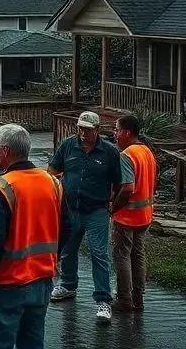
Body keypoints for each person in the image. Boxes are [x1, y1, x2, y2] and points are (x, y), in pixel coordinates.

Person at [0, 124, 68, 349]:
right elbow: (68, 226)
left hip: (8, 283)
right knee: (32, 342)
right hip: (42, 281)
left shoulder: (1, 187)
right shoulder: (53, 183)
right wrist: (53, 258)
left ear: (6, 151)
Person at [47, 111, 124, 322]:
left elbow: (117, 183)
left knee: (99, 254)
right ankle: (68, 286)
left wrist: (111, 205)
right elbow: (52, 171)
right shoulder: (68, 146)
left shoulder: (109, 152)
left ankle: (103, 301)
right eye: (81, 128)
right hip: (70, 208)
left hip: (96, 210)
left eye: (88, 130)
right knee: (68, 250)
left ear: (97, 130)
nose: (83, 133)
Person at [110, 114, 156, 313]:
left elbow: (128, 187)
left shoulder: (127, 155)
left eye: (117, 129)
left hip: (127, 215)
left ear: (127, 132)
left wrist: (114, 208)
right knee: (137, 254)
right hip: (145, 215)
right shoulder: (147, 152)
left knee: (122, 256)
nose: (115, 134)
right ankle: (138, 298)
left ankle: (124, 299)